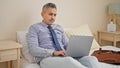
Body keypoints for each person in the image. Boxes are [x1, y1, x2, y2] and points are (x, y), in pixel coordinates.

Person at [27, 2, 101, 68]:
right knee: (69, 61)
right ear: (42, 14)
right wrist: (53, 52)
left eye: (55, 15)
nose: (53, 17)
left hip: (65, 56)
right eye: (50, 14)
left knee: (92, 59)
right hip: (47, 59)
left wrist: (76, 49)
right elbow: (33, 50)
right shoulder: (34, 28)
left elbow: (67, 44)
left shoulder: (58, 28)